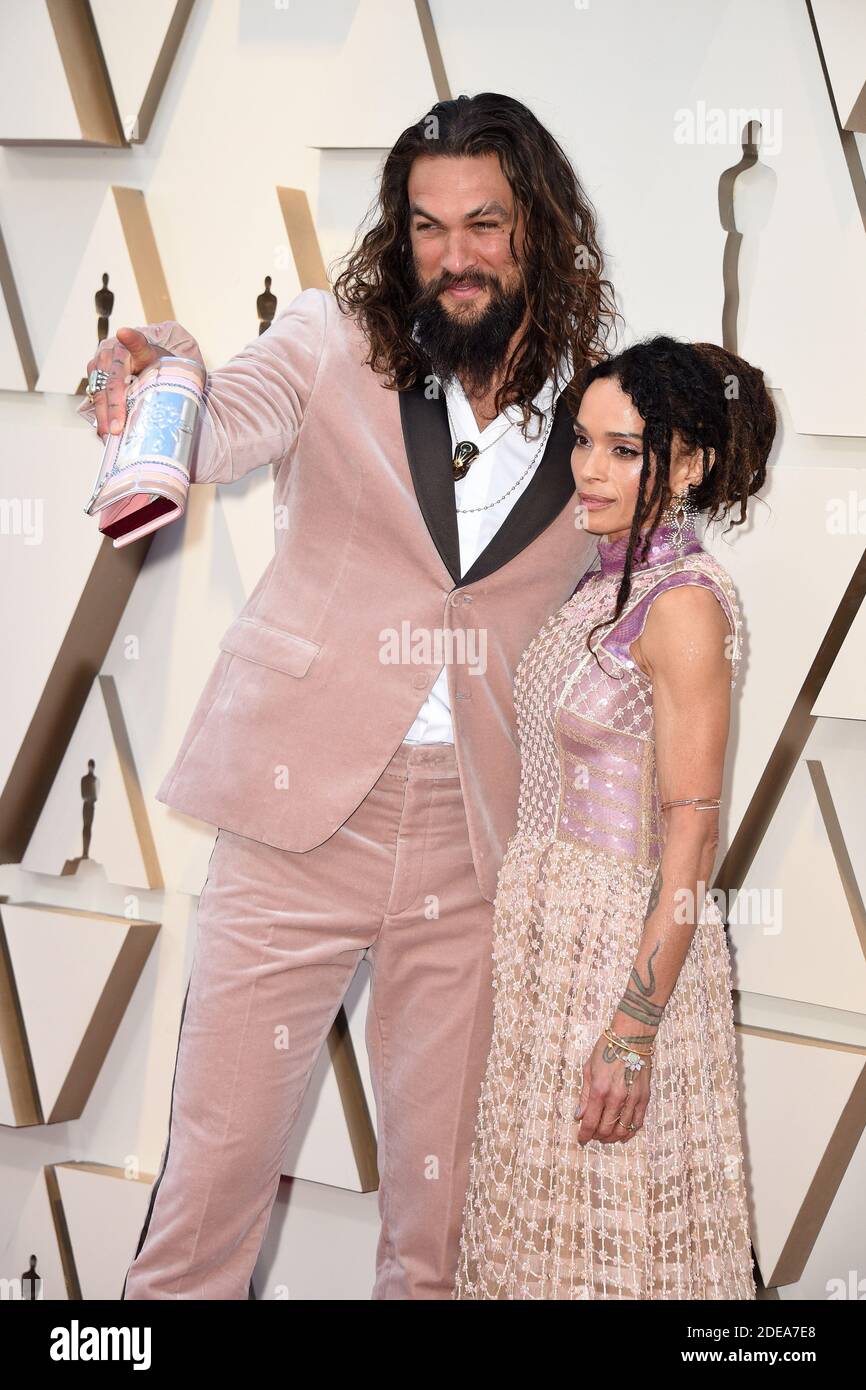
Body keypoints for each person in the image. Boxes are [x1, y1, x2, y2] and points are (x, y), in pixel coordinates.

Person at [77, 93, 616, 1300]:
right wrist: (163, 367)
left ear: (537, 224)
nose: (455, 256)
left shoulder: (596, 406)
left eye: (483, 224)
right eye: (427, 227)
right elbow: (218, 426)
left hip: (474, 848)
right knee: (213, 1187)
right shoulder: (331, 338)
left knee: (439, 1224)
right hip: (295, 817)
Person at [454, 336, 775, 1300]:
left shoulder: (683, 605)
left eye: (623, 450)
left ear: (687, 464)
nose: (588, 469)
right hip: (550, 957)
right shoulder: (603, 583)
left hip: (623, 957)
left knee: (618, 1251)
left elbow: (692, 834)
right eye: (582, 442)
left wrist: (633, 1025)